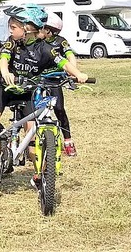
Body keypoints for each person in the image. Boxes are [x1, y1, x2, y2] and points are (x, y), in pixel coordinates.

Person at [0, 4, 88, 189]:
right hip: (5, 90)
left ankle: (41, 175)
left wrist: (78, 74)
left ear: (27, 28)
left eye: (14, 27)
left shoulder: (44, 48)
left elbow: (63, 62)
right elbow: (4, 58)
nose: (10, 30)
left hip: (28, 93)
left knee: (32, 137)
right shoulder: (12, 42)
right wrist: (5, 71)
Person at [39, 13, 78, 156]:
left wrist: (73, 72)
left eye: (42, 28)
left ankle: (68, 141)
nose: (39, 30)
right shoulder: (38, 42)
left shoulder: (61, 42)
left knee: (59, 110)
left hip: (54, 79)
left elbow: (70, 56)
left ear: (49, 30)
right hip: (38, 79)